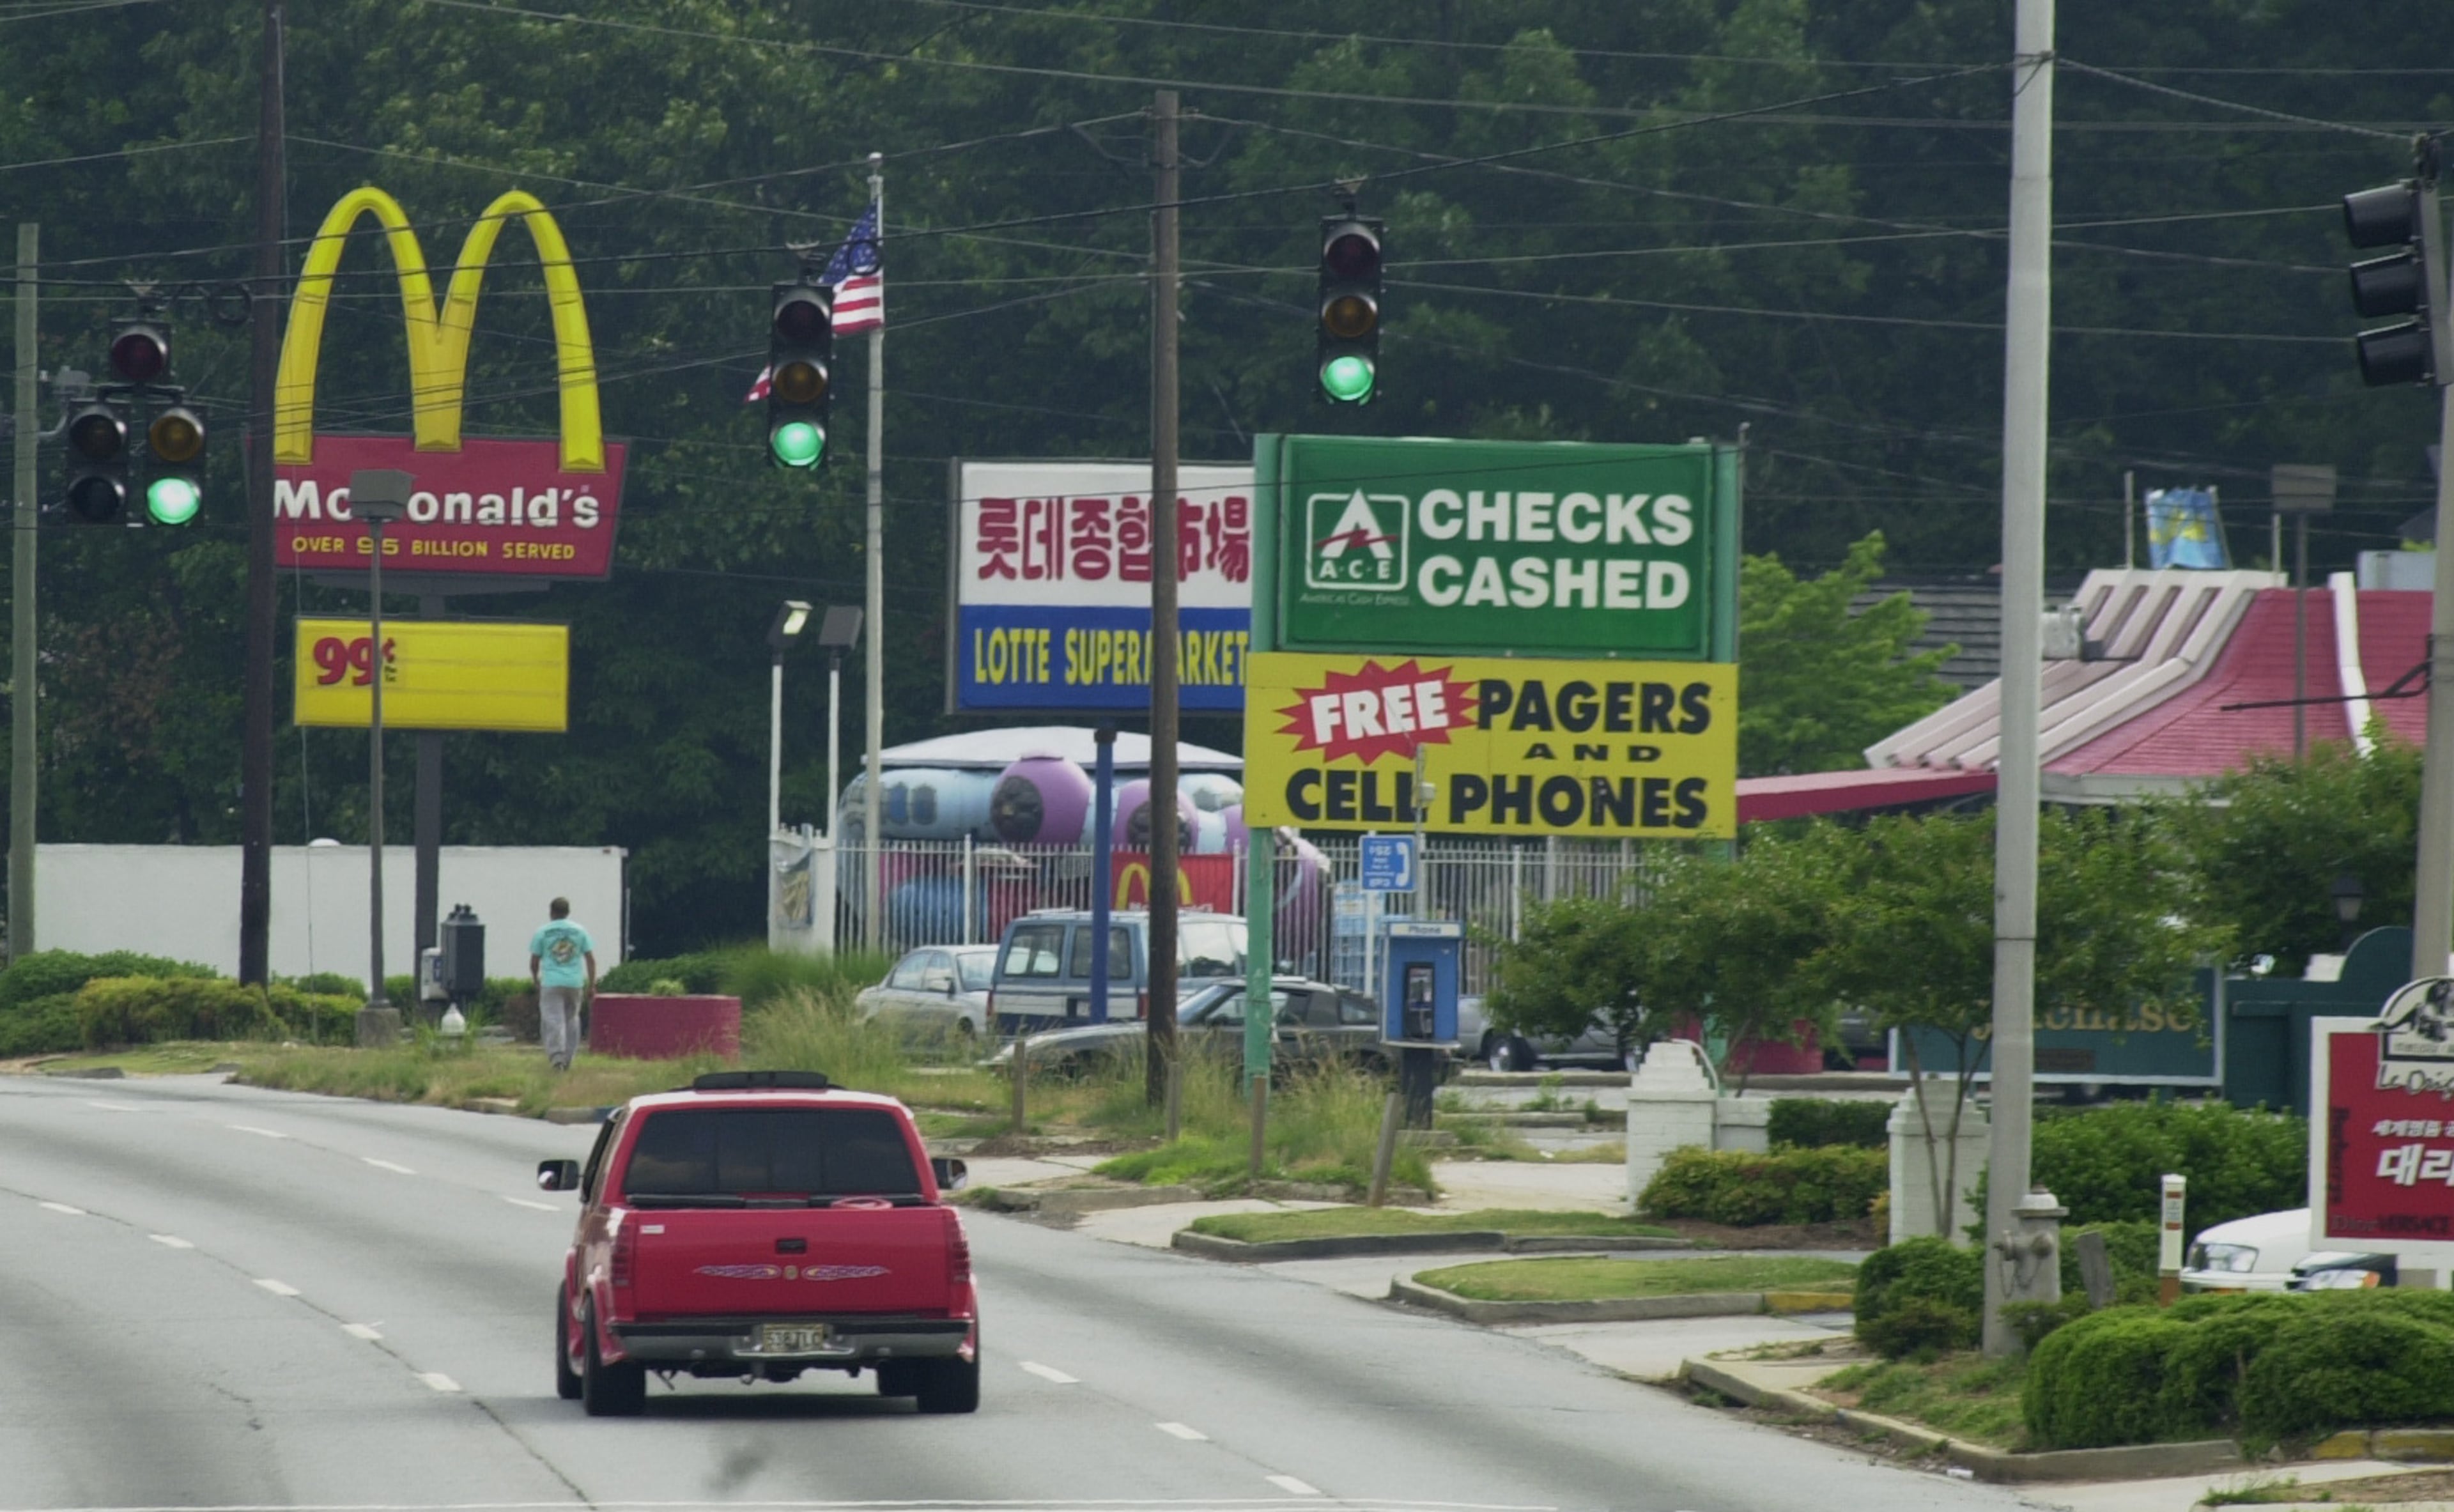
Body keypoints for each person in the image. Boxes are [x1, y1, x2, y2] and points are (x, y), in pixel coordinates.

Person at [530, 897, 597, 1072]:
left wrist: (535, 979)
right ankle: (569, 1058)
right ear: (568, 912)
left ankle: (557, 1058)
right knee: (572, 1019)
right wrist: (592, 984)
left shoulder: (542, 932)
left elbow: (535, 960)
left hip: (551, 982)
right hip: (574, 983)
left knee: (553, 1019)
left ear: (551, 912)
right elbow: (590, 959)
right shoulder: (580, 931)